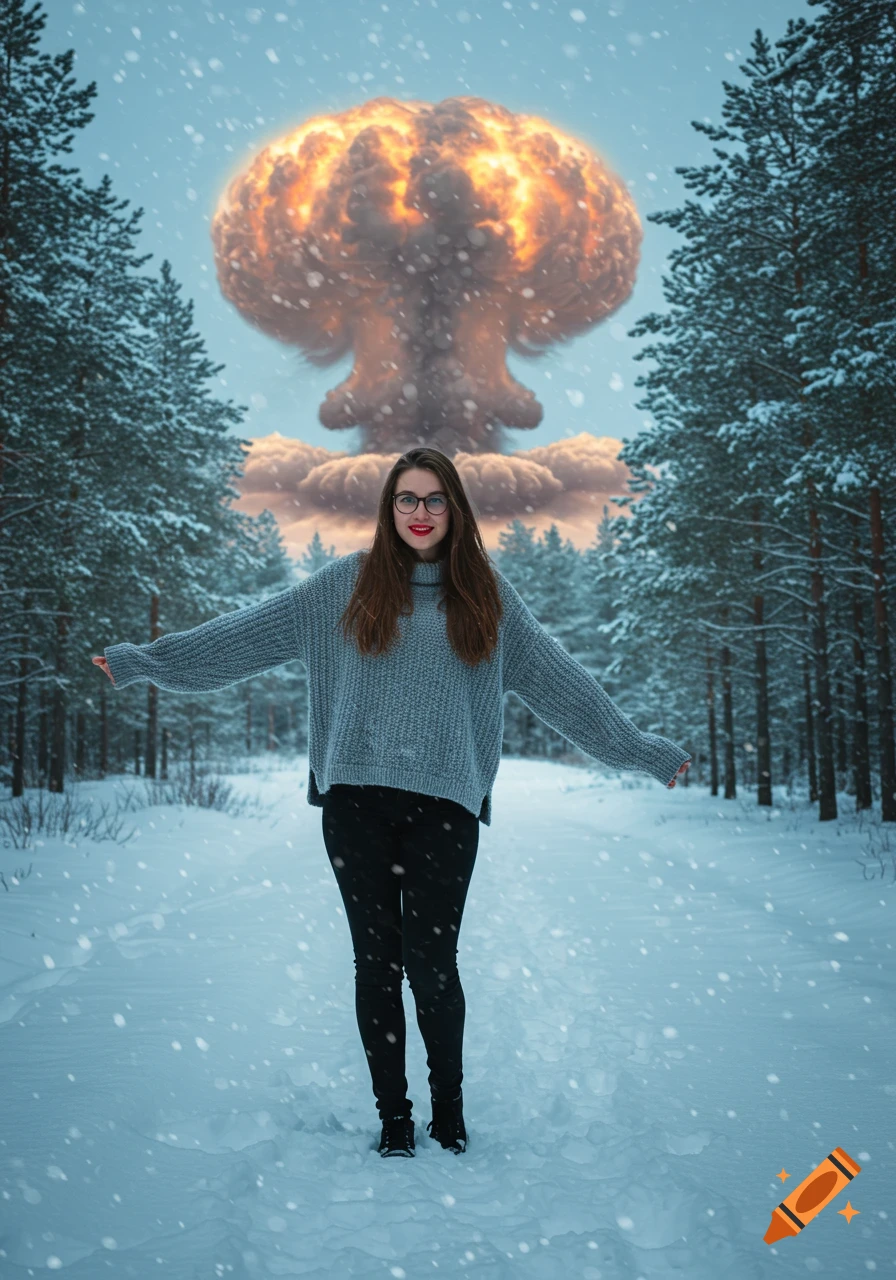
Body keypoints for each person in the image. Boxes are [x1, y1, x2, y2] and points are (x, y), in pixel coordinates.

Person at [93, 446, 690, 1160]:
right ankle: (395, 1117)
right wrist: (146, 661)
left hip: (447, 808)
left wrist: (640, 749)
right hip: (356, 804)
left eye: (435, 499)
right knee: (375, 965)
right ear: (389, 507)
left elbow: (565, 688)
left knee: (433, 965)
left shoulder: (487, 597)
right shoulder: (344, 587)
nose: (420, 512)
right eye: (407, 498)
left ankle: (449, 1112)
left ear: (454, 509)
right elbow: (243, 638)